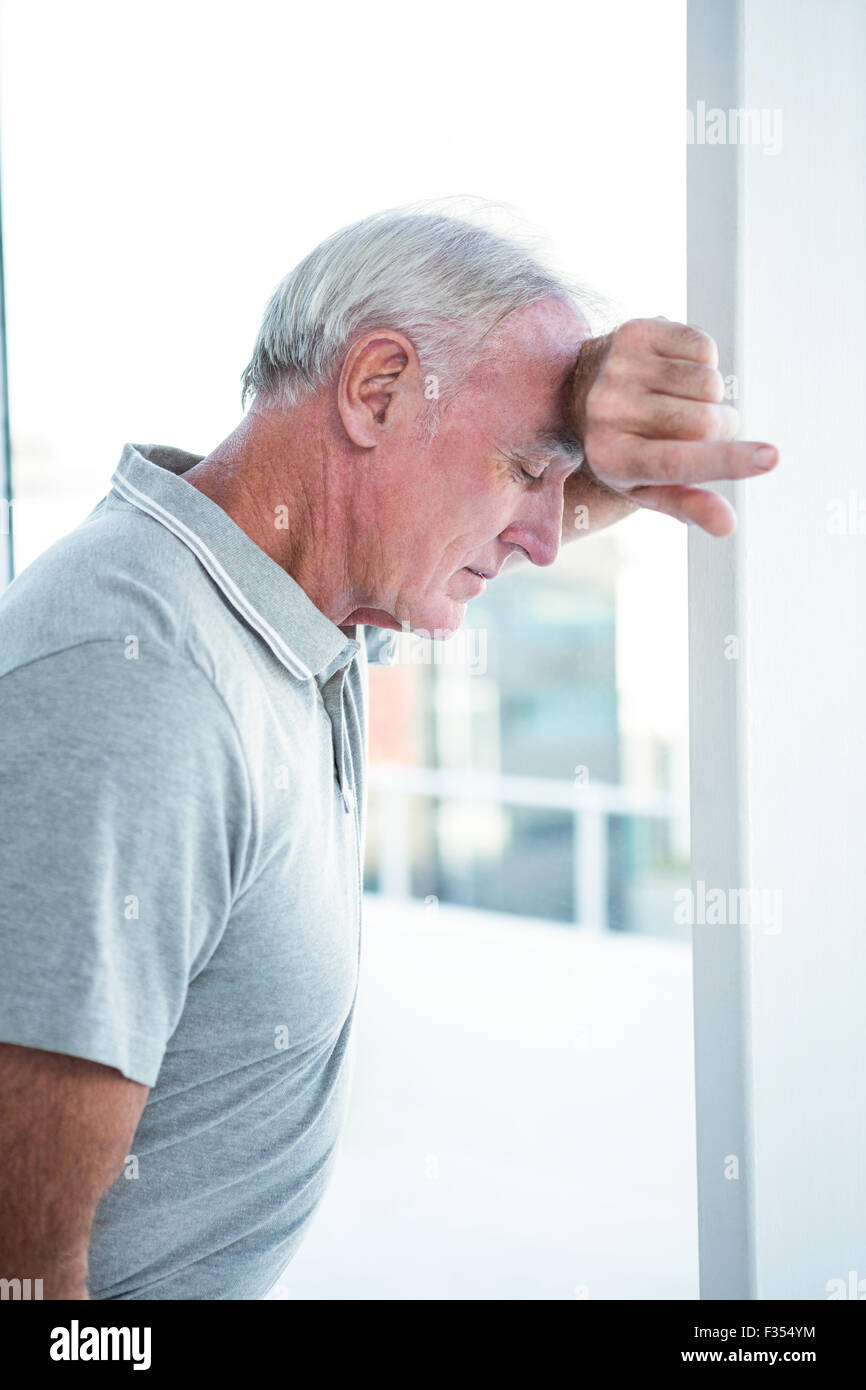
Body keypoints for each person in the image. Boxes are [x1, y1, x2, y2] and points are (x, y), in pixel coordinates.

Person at [0, 207, 777, 1300]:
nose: (550, 536)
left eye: (559, 486)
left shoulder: (286, 609)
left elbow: (488, 519)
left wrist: (574, 412)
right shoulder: (142, 681)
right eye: (523, 472)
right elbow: (19, 1268)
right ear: (375, 392)